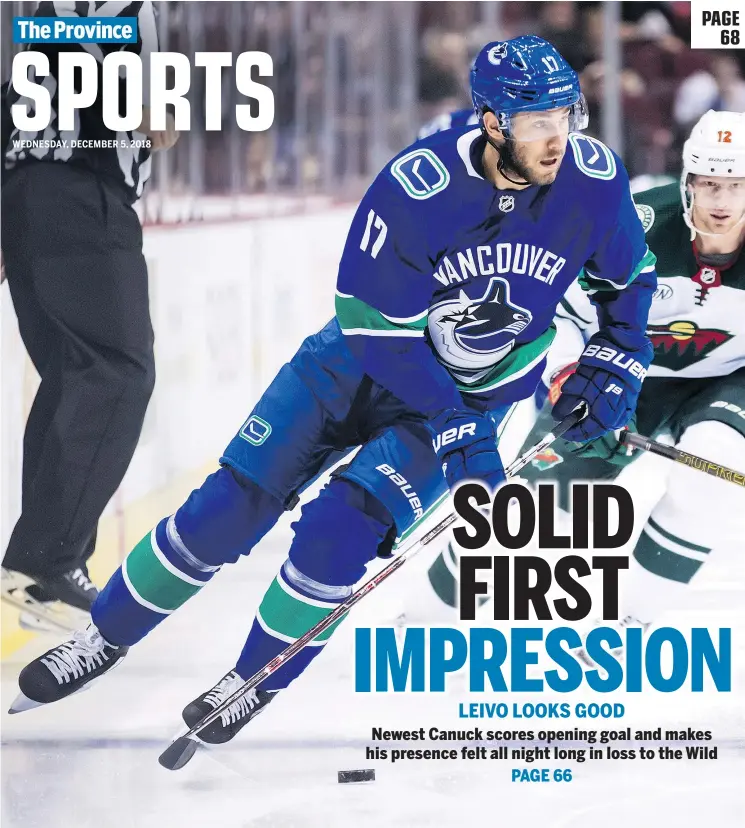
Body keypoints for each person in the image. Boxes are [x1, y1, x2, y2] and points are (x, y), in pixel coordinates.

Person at [11, 37, 656, 749]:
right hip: (351, 371)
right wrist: (449, 418)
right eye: (535, 121)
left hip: (467, 400)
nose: (556, 137)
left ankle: (252, 678)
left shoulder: (594, 180)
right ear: (491, 122)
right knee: (223, 512)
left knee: (337, 535)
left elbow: (628, 282)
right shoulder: (418, 187)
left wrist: (619, 356)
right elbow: (374, 327)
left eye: (564, 115)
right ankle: (103, 639)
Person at [428, 110, 745, 633]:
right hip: (623, 371)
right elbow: (560, 310)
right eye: (709, 184)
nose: (720, 202)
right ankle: (429, 615)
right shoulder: (637, 224)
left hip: (728, 382)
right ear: (686, 182)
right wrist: (571, 373)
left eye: (735, 187)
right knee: (533, 513)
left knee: (710, 468)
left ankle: (631, 624)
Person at [0, 2, 178, 631]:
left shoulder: (48, 9)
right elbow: (156, 119)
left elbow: (15, 99)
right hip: (83, 196)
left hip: (25, 196)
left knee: (76, 373)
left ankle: (35, 568)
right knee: (117, 372)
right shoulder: (133, 7)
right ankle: (45, 564)